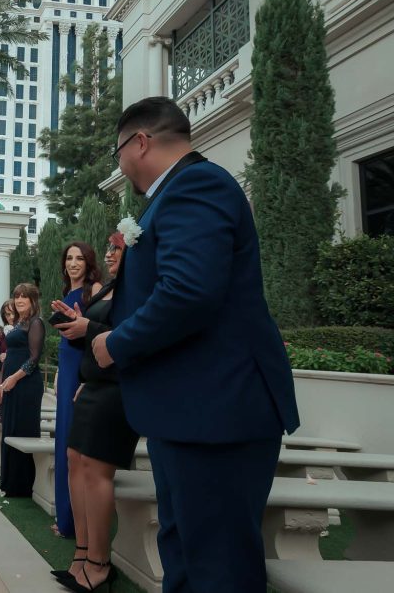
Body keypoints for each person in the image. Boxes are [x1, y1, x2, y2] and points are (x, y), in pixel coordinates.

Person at [93, 97, 300, 592]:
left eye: (118, 152)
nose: (120, 167)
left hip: (217, 411)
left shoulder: (196, 185)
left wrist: (116, 343)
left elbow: (189, 291)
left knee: (216, 566)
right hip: (192, 411)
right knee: (186, 551)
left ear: (140, 142)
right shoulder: (176, 193)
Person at [50, 232, 138, 592]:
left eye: (118, 248)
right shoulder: (107, 289)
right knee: (74, 460)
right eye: (110, 248)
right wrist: (78, 324)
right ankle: (82, 554)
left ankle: (100, 563)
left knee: (97, 471)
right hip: (92, 384)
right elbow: (95, 335)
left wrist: (90, 327)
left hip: (117, 387)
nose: (110, 253)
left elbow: (133, 334)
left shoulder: (138, 289)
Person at [51, 241, 102, 538]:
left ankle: (75, 522)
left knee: (74, 444)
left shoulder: (93, 290)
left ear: (88, 262)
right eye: (69, 258)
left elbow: (95, 333)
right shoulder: (66, 294)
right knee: (63, 445)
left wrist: (86, 379)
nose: (73, 263)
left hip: (82, 371)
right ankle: (66, 518)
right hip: (66, 370)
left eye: (79, 258)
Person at [0, 283, 47, 497]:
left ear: (33, 301)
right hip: (11, 382)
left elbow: (34, 358)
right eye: (16, 296)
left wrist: (14, 378)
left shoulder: (36, 323)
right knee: (10, 427)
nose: (19, 300)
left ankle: (22, 485)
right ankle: (10, 482)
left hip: (26, 384)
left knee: (22, 429)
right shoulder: (19, 323)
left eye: (24, 297)